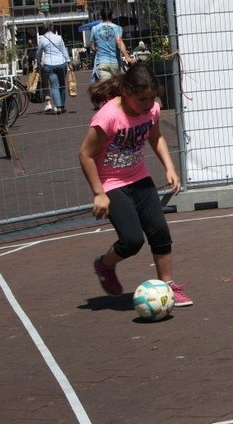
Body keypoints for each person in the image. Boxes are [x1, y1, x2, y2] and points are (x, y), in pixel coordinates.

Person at [79, 62, 192, 307]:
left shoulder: (152, 110)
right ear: (126, 91)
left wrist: (170, 168)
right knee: (132, 241)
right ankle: (105, 265)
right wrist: (99, 193)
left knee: (160, 232)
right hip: (111, 183)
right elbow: (85, 154)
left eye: (152, 98)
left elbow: (156, 137)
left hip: (139, 177)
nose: (148, 104)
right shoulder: (108, 117)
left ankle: (168, 285)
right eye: (142, 99)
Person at [89, 8, 136, 83]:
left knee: (106, 86)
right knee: (116, 85)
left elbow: (92, 46)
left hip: (102, 62)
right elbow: (119, 42)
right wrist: (127, 57)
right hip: (115, 62)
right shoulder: (117, 28)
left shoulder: (95, 29)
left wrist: (98, 51)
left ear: (101, 16)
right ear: (112, 16)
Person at [35, 22, 71, 114]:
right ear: (52, 28)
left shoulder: (42, 40)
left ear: (43, 29)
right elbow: (64, 50)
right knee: (62, 84)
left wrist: (38, 63)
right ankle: (62, 105)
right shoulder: (59, 38)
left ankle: (58, 106)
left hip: (49, 64)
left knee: (54, 85)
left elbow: (38, 53)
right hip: (61, 63)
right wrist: (69, 62)